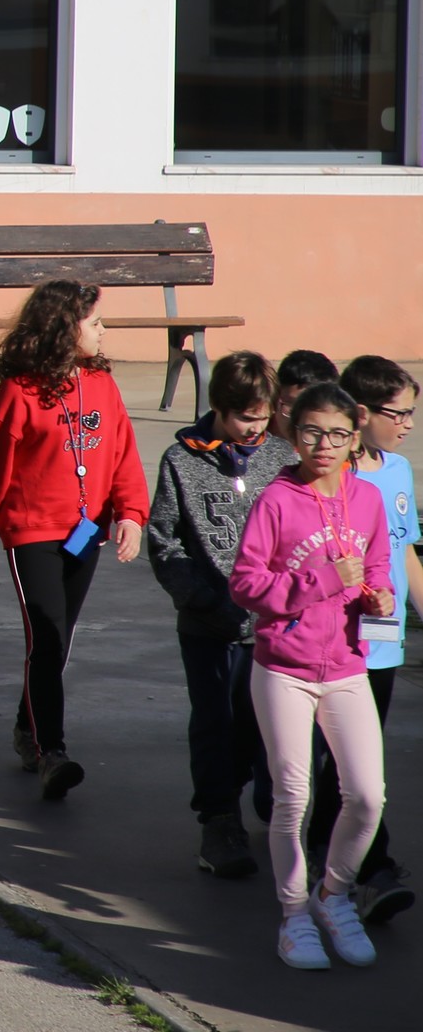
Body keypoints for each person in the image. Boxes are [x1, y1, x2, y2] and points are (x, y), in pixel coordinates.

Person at [0, 280, 149, 801]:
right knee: (45, 636)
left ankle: (29, 727)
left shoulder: (102, 385)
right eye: (94, 322)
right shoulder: (20, 391)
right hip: (31, 532)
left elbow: (123, 455)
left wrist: (131, 514)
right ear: (65, 328)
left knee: (58, 641)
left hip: (85, 533)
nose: (103, 329)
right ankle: (52, 752)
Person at [234, 380, 393, 970]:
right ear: (291, 433)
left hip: (348, 666)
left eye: (337, 434)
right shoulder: (276, 501)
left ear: (355, 436)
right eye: (311, 432)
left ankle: (334, 895)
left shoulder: (368, 499)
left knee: (368, 796)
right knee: (292, 796)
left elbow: (378, 567)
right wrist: (321, 581)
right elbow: (245, 583)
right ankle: (294, 914)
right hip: (284, 668)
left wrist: (379, 596)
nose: (323, 445)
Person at [145, 349, 292, 883]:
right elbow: (164, 542)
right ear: (220, 409)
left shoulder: (281, 458)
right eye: (246, 419)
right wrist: (203, 599)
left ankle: (266, 800)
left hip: (271, 628)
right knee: (215, 722)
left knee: (261, 723)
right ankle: (218, 820)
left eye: (263, 418)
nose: (256, 429)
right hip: (208, 627)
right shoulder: (180, 461)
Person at [314, 355, 418, 923]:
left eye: (411, 413)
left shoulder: (397, 471)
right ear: (360, 413)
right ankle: (371, 871)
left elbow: (406, 555)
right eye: (397, 414)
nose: (407, 424)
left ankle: (325, 850)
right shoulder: (331, 479)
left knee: (351, 765)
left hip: (385, 644)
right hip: (338, 647)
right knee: (356, 767)